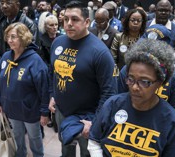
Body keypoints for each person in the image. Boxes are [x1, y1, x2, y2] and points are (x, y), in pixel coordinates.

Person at [88, 39, 175, 157]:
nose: (134, 87)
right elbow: (94, 141)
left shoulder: (171, 120)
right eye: (131, 79)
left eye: (144, 81)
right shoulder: (112, 105)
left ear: (160, 83)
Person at [48, 1, 118, 157]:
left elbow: (109, 92)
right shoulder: (58, 42)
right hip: (62, 111)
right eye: (66, 19)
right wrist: (52, 94)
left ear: (87, 22)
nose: (69, 24)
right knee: (66, 149)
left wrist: (95, 121)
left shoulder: (100, 52)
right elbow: (53, 72)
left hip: (87, 117)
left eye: (75, 19)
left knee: (88, 153)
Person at [0, 22, 49, 157]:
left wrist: (44, 112)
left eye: (13, 37)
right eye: (8, 37)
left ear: (23, 38)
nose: (9, 40)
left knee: (34, 138)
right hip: (11, 108)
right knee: (17, 136)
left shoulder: (34, 60)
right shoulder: (6, 57)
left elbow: (44, 89)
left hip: (29, 110)